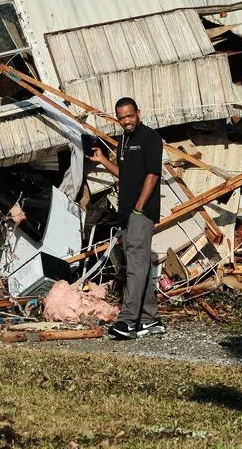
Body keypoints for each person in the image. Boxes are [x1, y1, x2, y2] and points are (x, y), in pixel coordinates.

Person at [88, 97, 166, 340]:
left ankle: (128, 322)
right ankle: (149, 320)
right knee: (139, 263)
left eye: (130, 116)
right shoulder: (123, 141)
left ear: (138, 113)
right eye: (121, 117)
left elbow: (153, 174)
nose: (126, 121)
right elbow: (125, 174)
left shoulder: (150, 138)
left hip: (140, 214)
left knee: (135, 266)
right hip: (127, 213)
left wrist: (139, 208)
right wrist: (103, 160)